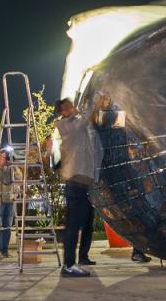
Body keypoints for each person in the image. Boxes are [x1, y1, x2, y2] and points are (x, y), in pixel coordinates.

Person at [52, 98, 99, 278]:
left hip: (81, 182)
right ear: (62, 113)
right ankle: (69, 265)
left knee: (82, 221)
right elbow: (85, 119)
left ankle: (74, 261)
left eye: (72, 105)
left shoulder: (75, 124)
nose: (73, 108)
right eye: (68, 107)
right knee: (73, 225)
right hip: (75, 182)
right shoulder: (66, 126)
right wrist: (93, 103)